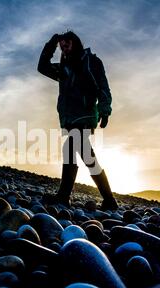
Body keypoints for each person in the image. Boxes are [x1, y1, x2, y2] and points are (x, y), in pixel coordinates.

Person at [37, 30, 118, 211]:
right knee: (88, 157)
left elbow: (103, 85)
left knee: (70, 148)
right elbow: (42, 67)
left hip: (85, 115)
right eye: (61, 46)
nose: (64, 48)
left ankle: (63, 197)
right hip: (69, 117)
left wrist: (105, 110)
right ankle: (109, 200)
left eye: (67, 44)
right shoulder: (64, 69)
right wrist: (51, 43)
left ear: (75, 43)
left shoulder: (91, 62)